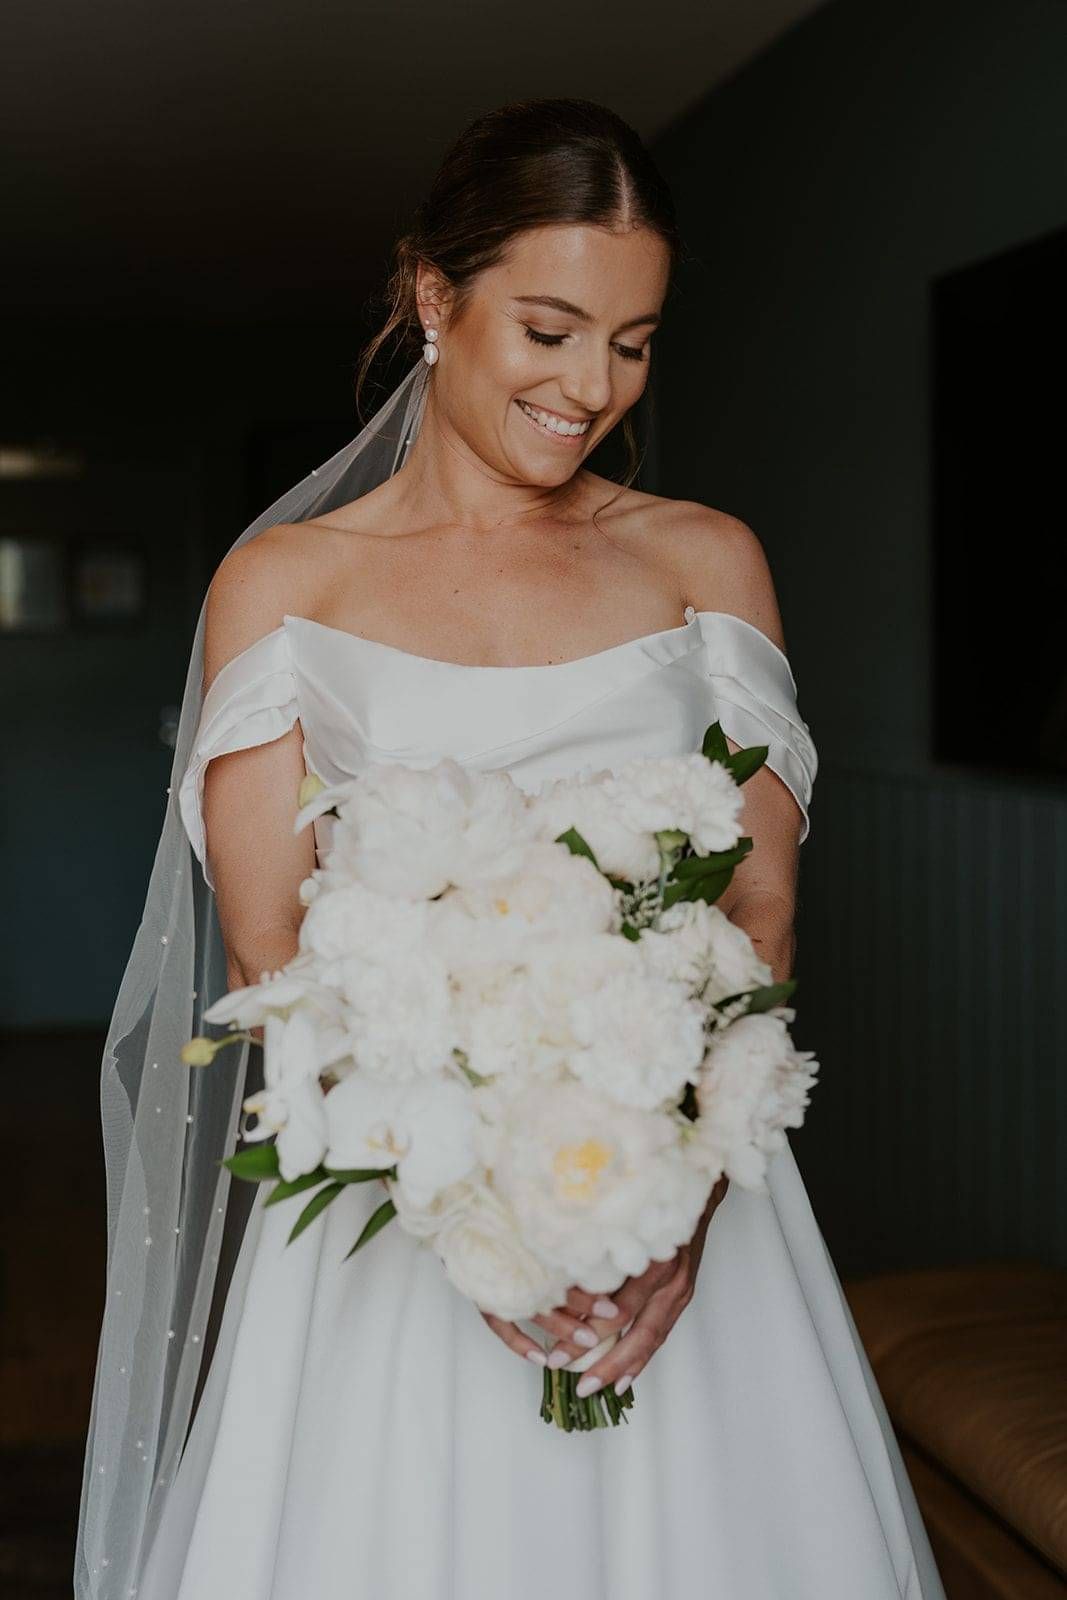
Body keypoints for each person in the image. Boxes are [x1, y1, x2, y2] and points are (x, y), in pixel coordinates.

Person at [76, 98, 947, 1600]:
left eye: (634, 340)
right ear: (434, 296)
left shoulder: (703, 560)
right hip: (396, 1222)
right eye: (550, 329)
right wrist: (480, 1210)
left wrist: (672, 1214)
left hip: (680, 1212)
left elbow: (760, 914)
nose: (591, 386)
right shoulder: (288, 585)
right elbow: (268, 956)